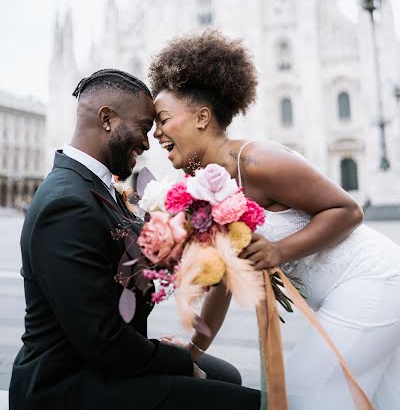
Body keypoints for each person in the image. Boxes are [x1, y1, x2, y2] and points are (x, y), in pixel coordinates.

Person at [149, 29, 400, 410]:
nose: (155, 133)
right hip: (339, 297)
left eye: (163, 120)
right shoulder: (205, 187)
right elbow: (226, 281)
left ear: (202, 117)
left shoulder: (257, 161)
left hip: (372, 281)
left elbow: (348, 211)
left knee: (302, 393)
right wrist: (195, 350)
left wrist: (279, 251)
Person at [10, 68, 260, 410]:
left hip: (101, 359)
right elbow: (101, 340)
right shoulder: (65, 202)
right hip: (66, 382)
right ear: (107, 119)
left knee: (225, 375)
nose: (147, 142)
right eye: (144, 127)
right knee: (243, 402)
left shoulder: (96, 186)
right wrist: (181, 361)